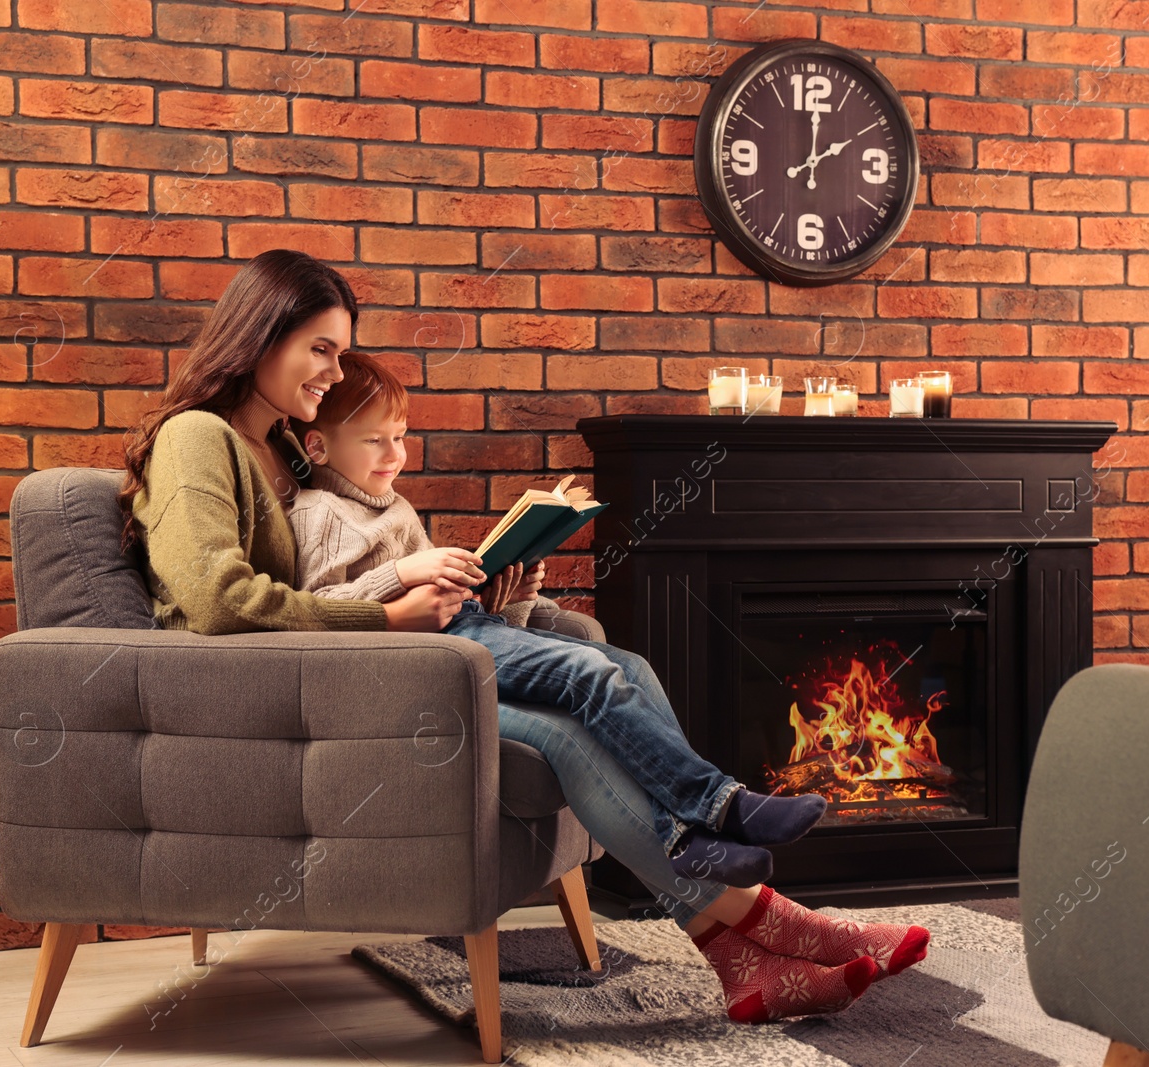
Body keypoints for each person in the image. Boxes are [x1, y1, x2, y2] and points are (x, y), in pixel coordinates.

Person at [120, 249, 927, 1024]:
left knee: (627, 664)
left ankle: (743, 957)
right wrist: (392, 614)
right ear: (260, 336)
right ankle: (785, 925)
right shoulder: (200, 435)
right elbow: (218, 601)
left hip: (373, 665)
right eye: (320, 349)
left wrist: (487, 593)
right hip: (305, 698)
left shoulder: (291, 452)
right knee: (565, 735)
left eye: (340, 353)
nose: (334, 372)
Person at [286, 351, 829, 889]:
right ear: (319, 445)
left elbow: (470, 621)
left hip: (467, 631)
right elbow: (321, 603)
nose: (394, 454)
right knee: (587, 673)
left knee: (631, 666)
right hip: (425, 658)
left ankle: (687, 839)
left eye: (400, 436)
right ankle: (719, 805)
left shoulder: (390, 504)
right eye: (373, 439)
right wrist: (404, 571)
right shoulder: (321, 512)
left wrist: (510, 597)